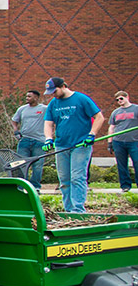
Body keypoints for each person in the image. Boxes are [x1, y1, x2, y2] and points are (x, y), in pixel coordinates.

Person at [43, 77, 105, 213]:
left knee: (77, 177)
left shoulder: (82, 99)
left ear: (63, 86)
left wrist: (92, 134)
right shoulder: (53, 104)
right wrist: (48, 138)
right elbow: (48, 123)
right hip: (61, 145)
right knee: (64, 180)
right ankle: (68, 209)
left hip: (81, 145)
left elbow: (99, 117)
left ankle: (78, 210)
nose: (53, 94)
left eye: (55, 91)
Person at [11, 90, 47, 187]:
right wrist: (16, 131)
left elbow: (51, 120)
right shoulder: (22, 109)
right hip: (24, 141)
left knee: (38, 166)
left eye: (29, 96)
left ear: (36, 98)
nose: (27, 98)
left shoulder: (44, 109)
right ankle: (22, 186)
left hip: (39, 141)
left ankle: (35, 187)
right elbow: (14, 121)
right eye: (26, 96)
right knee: (21, 165)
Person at [108, 91, 138, 193]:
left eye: (121, 99)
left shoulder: (136, 109)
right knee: (121, 164)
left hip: (134, 141)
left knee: (137, 162)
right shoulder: (116, 112)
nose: (119, 101)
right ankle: (125, 186)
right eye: (117, 100)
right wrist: (110, 142)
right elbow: (111, 127)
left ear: (127, 97)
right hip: (118, 142)